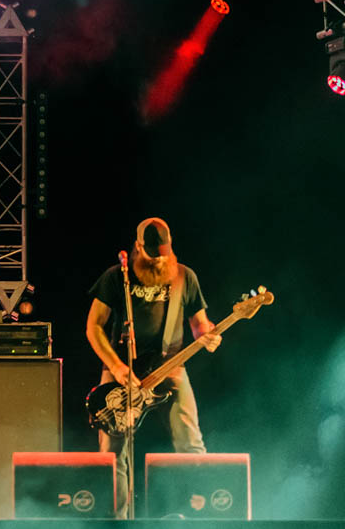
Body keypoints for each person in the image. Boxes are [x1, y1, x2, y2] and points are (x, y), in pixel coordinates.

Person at [85, 217, 221, 517]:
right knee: (112, 453)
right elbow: (93, 327)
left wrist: (208, 335)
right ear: (138, 247)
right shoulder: (116, 277)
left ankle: (196, 516)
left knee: (191, 443)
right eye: (152, 255)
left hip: (170, 366)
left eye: (163, 254)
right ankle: (117, 521)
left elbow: (199, 326)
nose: (159, 260)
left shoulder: (185, 277)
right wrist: (116, 367)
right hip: (123, 370)